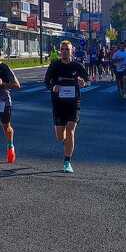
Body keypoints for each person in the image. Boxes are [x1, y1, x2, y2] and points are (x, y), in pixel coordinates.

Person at [43, 40, 88, 173]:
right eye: (62, 49)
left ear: (72, 51)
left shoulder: (77, 66)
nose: (64, 52)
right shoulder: (55, 65)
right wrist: (53, 87)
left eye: (67, 49)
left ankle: (67, 161)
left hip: (74, 103)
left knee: (70, 130)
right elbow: (46, 81)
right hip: (58, 103)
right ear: (59, 51)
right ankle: (66, 143)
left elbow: (88, 80)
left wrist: (83, 82)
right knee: (60, 137)